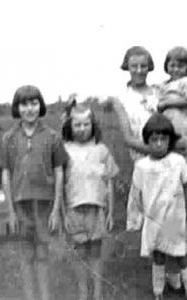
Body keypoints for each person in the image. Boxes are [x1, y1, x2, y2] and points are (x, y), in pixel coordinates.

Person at [0, 85, 68, 300]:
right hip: (20, 205)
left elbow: (59, 172)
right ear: (17, 107)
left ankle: (45, 296)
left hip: (44, 204)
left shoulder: (52, 137)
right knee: (26, 255)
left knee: (43, 253)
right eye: (24, 104)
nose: (29, 109)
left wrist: (55, 210)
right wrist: (10, 212)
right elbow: (5, 174)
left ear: (40, 105)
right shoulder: (8, 138)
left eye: (34, 103)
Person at [126, 113, 187, 300]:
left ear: (170, 140)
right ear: (147, 141)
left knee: (181, 255)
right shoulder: (142, 166)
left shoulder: (177, 161)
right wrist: (136, 218)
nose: (159, 144)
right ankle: (158, 292)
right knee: (158, 254)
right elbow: (136, 194)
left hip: (174, 218)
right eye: (154, 139)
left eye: (163, 139)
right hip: (154, 218)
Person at [62, 103, 119, 300]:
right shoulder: (64, 150)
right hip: (74, 209)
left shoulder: (102, 150)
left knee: (95, 252)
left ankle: (97, 292)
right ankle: (82, 291)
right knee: (80, 253)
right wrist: (62, 213)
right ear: (70, 126)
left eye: (86, 124)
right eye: (77, 125)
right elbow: (60, 185)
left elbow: (109, 182)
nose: (82, 128)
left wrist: (111, 212)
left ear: (93, 125)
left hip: (97, 209)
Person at [109, 45, 160, 160]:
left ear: (149, 67)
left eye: (143, 66)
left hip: (167, 155)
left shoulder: (159, 93)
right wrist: (157, 151)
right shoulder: (120, 98)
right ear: (127, 67)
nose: (139, 70)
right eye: (134, 66)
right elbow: (128, 139)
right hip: (142, 158)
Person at [156, 46, 187, 164]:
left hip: (179, 120)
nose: (176, 69)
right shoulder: (163, 84)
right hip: (165, 120)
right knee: (166, 149)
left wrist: (167, 103)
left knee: (180, 147)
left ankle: (185, 172)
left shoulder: (186, 82)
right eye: (172, 65)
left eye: (180, 66)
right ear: (166, 66)